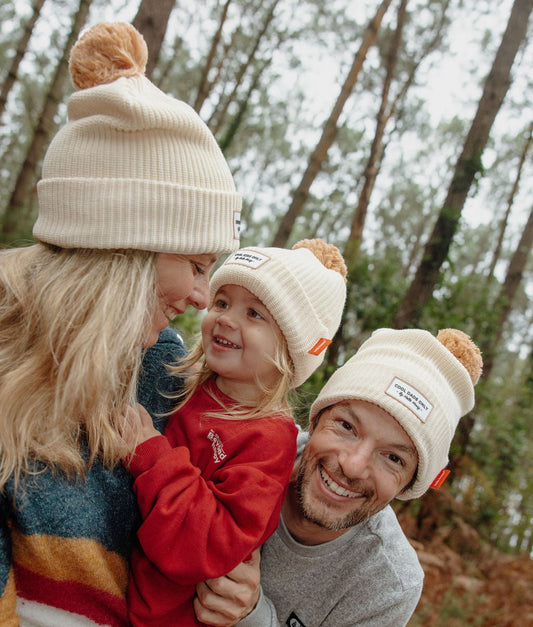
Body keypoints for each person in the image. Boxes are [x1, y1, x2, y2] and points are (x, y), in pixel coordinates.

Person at [0, 21, 242, 627]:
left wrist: (239, 587)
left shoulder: (159, 367)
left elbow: (220, 501)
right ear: (124, 248)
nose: (200, 294)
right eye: (195, 263)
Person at [190, 327, 483, 626]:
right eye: (346, 426)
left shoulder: (388, 585)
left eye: (393, 458)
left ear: (408, 485)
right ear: (316, 421)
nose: (353, 466)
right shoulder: (238, 449)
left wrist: (252, 617)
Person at [124, 239, 348, 626]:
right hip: (123, 588)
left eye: (254, 314)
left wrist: (152, 457)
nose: (226, 318)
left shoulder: (268, 440)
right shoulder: (189, 384)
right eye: (223, 302)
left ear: (289, 350)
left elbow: (210, 543)